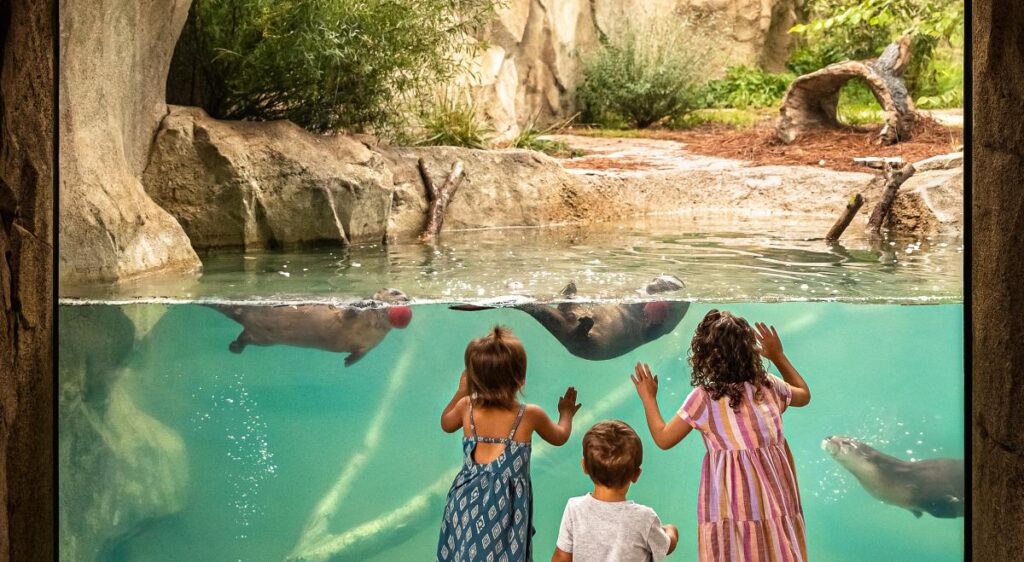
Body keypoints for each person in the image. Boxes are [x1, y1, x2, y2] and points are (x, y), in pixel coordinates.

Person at [631, 309, 811, 562]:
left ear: (704, 355)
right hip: (776, 501)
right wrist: (778, 356)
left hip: (734, 505)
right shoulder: (766, 385)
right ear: (749, 350)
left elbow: (663, 438)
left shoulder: (704, 398)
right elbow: (803, 394)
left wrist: (648, 398)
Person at [438, 325, 583, 562]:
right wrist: (566, 413)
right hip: (504, 514)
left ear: (473, 378)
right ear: (521, 379)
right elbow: (559, 436)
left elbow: (446, 422)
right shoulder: (529, 415)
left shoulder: (466, 406)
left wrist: (461, 391)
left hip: (463, 505)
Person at [552, 420, 679, 562]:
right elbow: (665, 546)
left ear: (584, 467)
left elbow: (561, 557)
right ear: (636, 475)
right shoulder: (645, 518)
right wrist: (671, 532)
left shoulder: (574, 508)